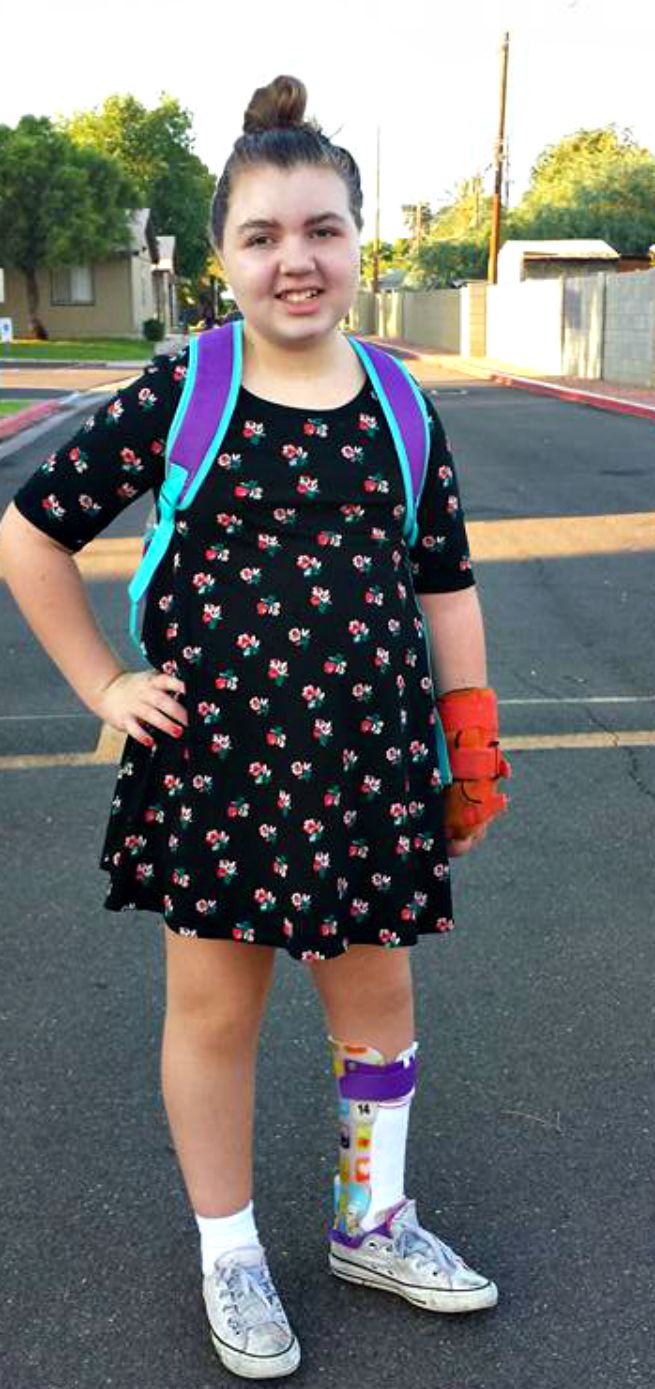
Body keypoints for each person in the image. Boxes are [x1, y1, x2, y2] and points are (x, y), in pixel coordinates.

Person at [0, 75, 511, 1381]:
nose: (297, 259)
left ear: (358, 242)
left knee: (380, 1011)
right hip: (219, 772)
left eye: (323, 229)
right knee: (215, 1014)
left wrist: (470, 743)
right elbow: (29, 534)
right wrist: (104, 685)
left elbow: (445, 582)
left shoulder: (402, 402)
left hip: (372, 769)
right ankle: (228, 1246)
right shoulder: (185, 392)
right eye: (264, 234)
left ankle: (371, 1221)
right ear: (222, 257)